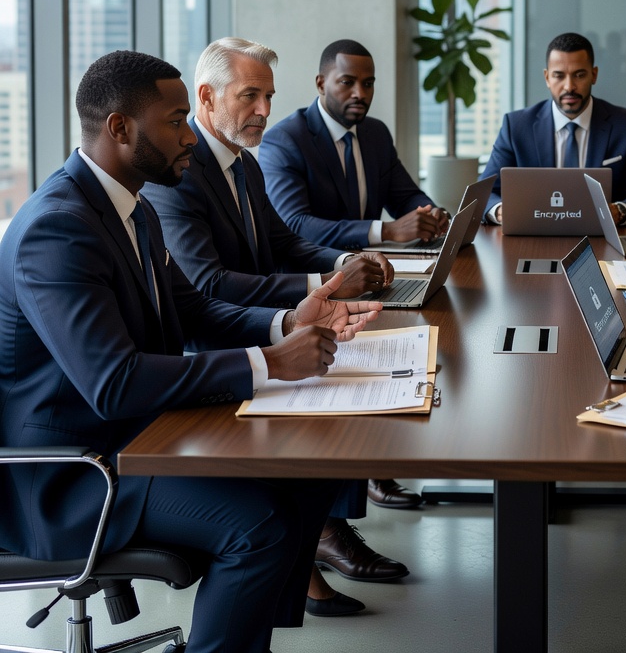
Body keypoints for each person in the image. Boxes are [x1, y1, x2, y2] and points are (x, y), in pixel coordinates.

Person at [0, 50, 382, 653]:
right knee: (260, 526)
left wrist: (286, 322)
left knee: (308, 476)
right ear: (120, 128)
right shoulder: (58, 228)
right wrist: (269, 364)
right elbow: (114, 383)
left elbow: (196, 309)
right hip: (74, 473)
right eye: (176, 121)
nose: (190, 137)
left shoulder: (134, 206)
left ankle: (244, 639)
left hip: (140, 437)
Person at [143, 38, 414, 612]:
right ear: (207, 98)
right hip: (216, 351)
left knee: (361, 388)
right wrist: (320, 295)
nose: (265, 109)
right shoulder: (180, 177)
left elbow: (282, 241)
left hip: (264, 328)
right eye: (250, 95)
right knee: (338, 404)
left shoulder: (242, 163)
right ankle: (308, 551)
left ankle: (308, 552)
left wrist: (341, 266)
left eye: (268, 95)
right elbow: (210, 287)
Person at [260, 39, 448, 251]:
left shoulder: (377, 133)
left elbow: (406, 197)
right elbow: (295, 224)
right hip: (317, 274)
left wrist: (431, 214)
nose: (360, 94)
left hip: (374, 266)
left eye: (368, 84)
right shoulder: (285, 140)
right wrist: (386, 230)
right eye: (347, 82)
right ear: (321, 84)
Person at [479, 31, 626, 223]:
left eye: (579, 75)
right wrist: (502, 211)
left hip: (602, 240)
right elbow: (483, 195)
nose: (569, 86)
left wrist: (618, 211)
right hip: (532, 238)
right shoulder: (517, 127)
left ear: (594, 75)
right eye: (559, 76)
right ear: (547, 78)